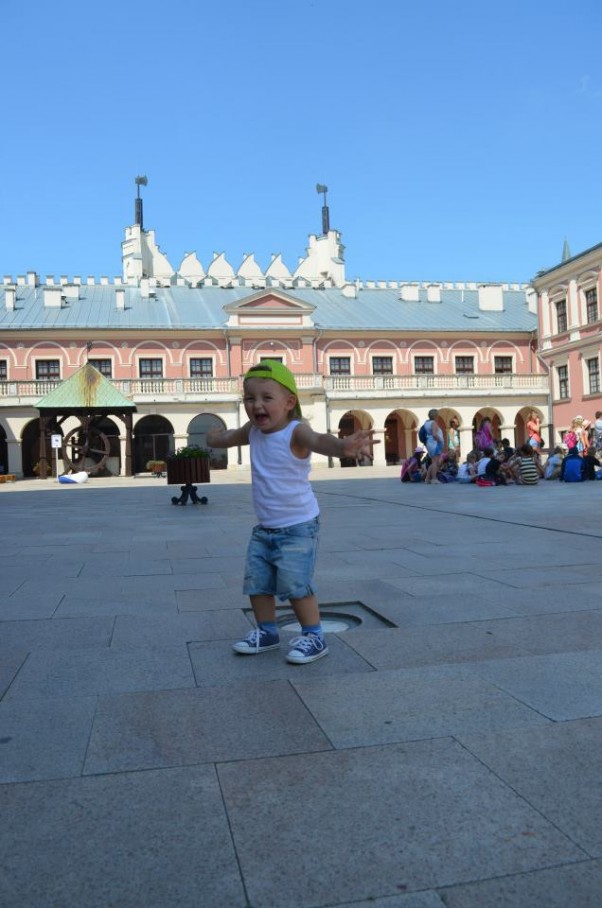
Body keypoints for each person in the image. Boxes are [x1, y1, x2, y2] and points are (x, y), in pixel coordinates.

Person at [206, 360, 377, 665]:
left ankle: (314, 636)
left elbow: (319, 441)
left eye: (266, 398)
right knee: (256, 583)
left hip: (298, 525)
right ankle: (267, 632)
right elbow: (229, 438)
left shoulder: (296, 431)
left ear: (289, 403)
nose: (256, 405)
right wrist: (213, 438)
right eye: (250, 398)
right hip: (265, 527)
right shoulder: (253, 431)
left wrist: (342, 447)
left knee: (295, 584)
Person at [424, 408, 445, 484]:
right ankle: (434, 479)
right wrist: (440, 440)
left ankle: (427, 478)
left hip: (430, 443)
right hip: (435, 444)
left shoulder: (427, 423)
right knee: (435, 463)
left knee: (433, 462)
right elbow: (434, 434)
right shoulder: (434, 423)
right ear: (436, 416)